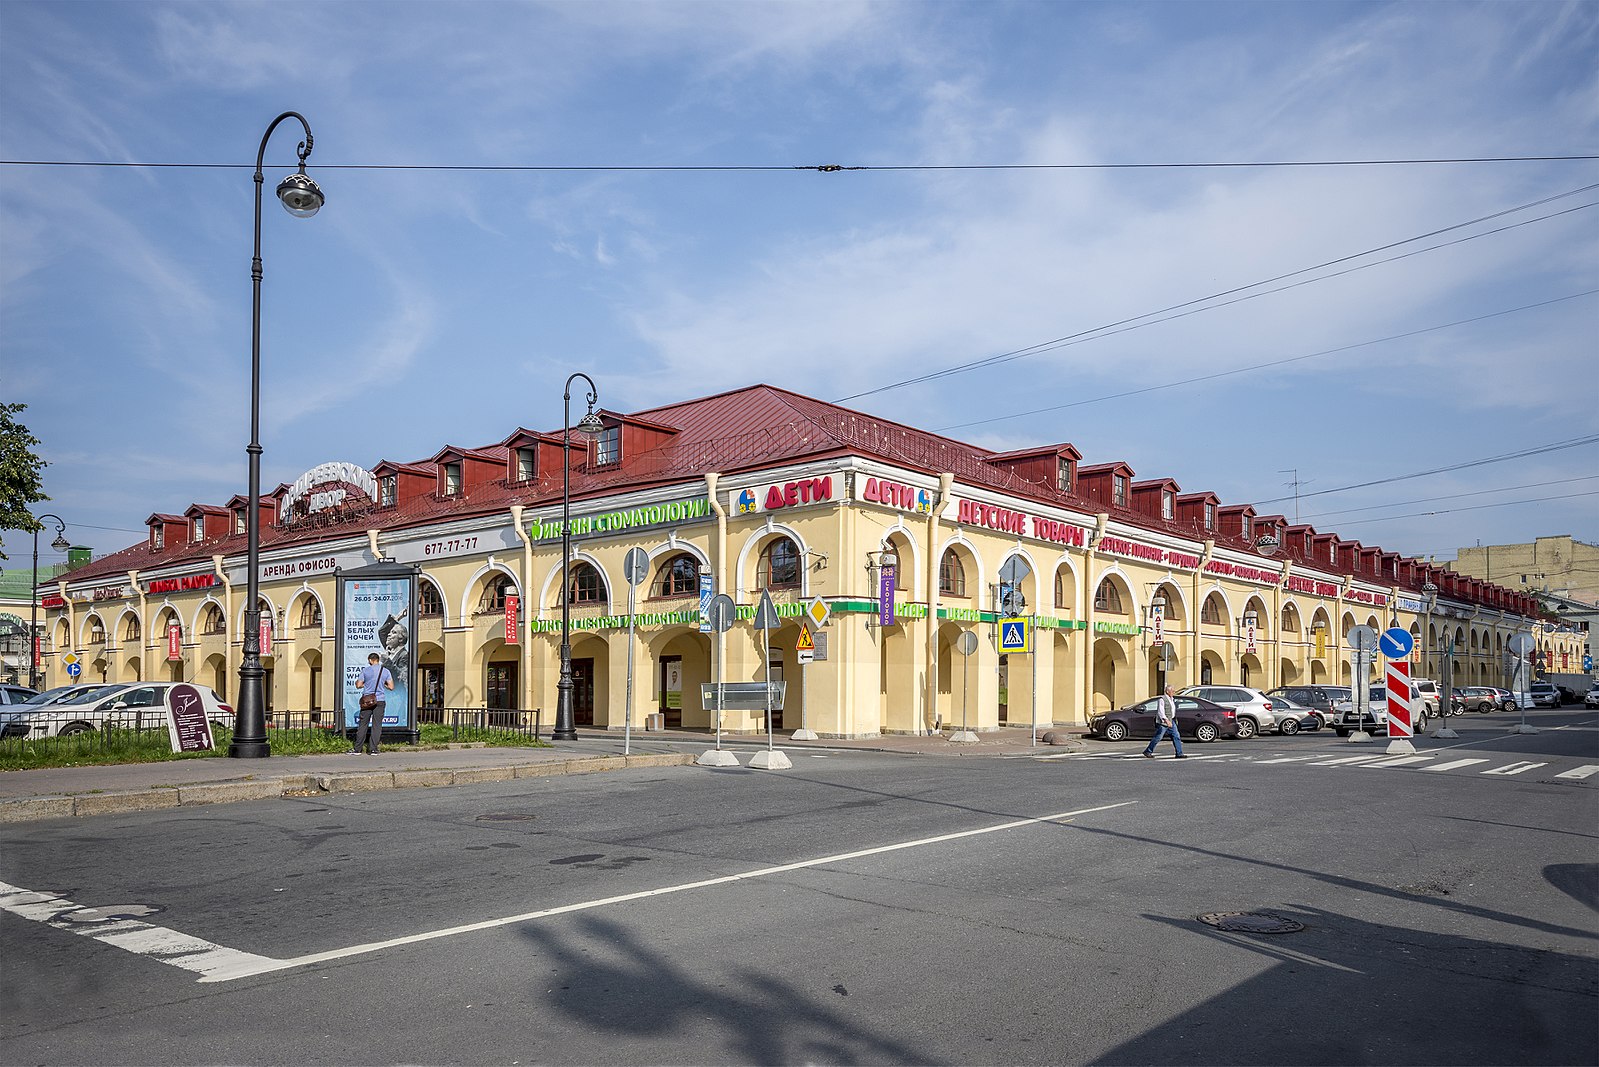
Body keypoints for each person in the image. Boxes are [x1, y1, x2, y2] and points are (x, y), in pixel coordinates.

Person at [353, 652, 394, 754]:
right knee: (377, 725)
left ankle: (358, 749)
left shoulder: (365, 671)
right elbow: (391, 687)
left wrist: (364, 685)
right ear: (378, 660)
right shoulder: (385, 671)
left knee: (363, 724)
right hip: (380, 700)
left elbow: (358, 685)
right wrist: (383, 685)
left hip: (367, 701)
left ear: (370, 660)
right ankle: (373, 749)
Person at [1143, 684, 1186, 759]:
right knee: (1158, 737)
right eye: (1172, 691)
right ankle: (1148, 751)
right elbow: (1161, 712)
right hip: (1164, 722)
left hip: (1171, 720)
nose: (1174, 692)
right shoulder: (1162, 699)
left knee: (1176, 736)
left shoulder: (1172, 699)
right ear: (1167, 691)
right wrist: (1166, 720)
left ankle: (1179, 753)